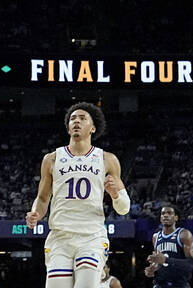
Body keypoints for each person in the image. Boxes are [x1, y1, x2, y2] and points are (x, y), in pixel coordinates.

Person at [25, 103, 130, 288]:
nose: (76, 121)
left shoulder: (107, 159)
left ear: (93, 127)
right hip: (60, 236)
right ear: (68, 127)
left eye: (82, 118)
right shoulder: (52, 158)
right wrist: (36, 213)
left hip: (91, 236)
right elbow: (42, 199)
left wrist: (115, 195)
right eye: (73, 118)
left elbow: (124, 208)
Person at [144, 205, 193, 286]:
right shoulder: (156, 237)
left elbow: (192, 264)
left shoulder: (184, 235)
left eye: (169, 213)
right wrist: (153, 269)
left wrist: (166, 260)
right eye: (163, 213)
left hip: (179, 284)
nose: (166, 215)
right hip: (160, 284)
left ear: (176, 218)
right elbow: (159, 262)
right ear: (160, 218)